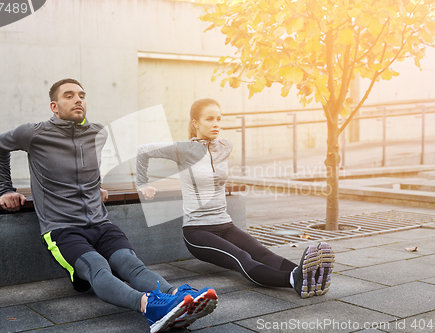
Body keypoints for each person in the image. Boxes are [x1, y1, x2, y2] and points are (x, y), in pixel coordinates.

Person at [0, 79, 217, 333]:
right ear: (54, 106)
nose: (78, 100)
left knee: (131, 264)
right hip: (62, 229)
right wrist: (6, 189)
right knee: (98, 267)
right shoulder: (33, 133)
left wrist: (95, 185)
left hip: (100, 222)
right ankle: (150, 306)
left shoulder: (97, 132)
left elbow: (90, 165)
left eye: (82, 95)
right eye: (69, 96)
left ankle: (177, 297)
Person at [136, 98, 335, 299]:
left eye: (219, 119)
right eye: (210, 119)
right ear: (195, 123)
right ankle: (294, 280)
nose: (216, 124)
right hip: (197, 230)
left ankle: (310, 276)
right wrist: (142, 183)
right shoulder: (183, 150)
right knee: (241, 258)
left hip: (225, 224)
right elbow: (143, 151)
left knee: (262, 252)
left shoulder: (224, 146)